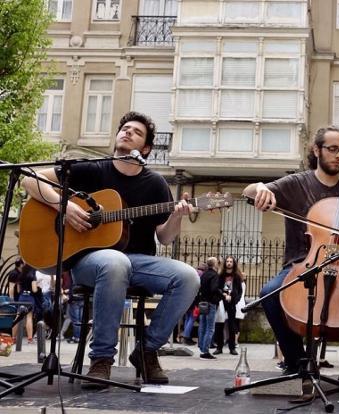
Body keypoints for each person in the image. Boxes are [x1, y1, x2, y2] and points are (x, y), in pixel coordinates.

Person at [21, 111, 200, 389]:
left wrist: (177, 216)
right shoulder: (92, 170)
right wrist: (64, 206)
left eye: (136, 132)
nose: (127, 133)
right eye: (124, 128)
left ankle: (147, 350)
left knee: (189, 277)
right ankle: (102, 359)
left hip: (139, 260)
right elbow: (29, 179)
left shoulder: (155, 184)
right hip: (90, 261)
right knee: (115, 262)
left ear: (146, 149)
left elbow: (164, 238)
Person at [243, 125, 339, 390]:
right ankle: (297, 364)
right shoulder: (297, 183)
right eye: (332, 149)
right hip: (302, 263)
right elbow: (248, 192)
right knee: (270, 292)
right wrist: (260, 187)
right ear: (317, 150)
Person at [213, 255, 243, 355]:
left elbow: (240, 291)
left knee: (232, 326)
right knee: (219, 325)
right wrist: (223, 295)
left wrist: (235, 300)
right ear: (225, 263)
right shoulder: (221, 276)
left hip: (232, 303)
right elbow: (217, 288)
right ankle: (219, 347)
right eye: (227, 261)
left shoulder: (237, 276)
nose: (229, 263)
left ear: (233, 263)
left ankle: (232, 347)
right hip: (222, 302)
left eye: (231, 261)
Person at [197, 257, 221, 359]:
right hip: (211, 303)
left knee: (202, 325)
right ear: (215, 264)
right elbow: (214, 288)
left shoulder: (204, 274)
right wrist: (221, 294)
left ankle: (201, 348)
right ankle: (205, 351)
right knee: (210, 328)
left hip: (203, 302)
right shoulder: (214, 275)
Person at [16, 264, 38, 344]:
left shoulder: (20, 276)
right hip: (29, 298)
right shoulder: (32, 276)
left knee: (18, 317)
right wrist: (37, 285)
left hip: (21, 297)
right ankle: (29, 339)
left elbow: (18, 291)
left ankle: (13, 337)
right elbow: (34, 290)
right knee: (29, 318)